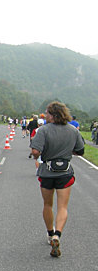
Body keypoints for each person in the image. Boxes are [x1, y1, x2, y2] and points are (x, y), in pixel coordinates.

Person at [30, 102, 84, 257]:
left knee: (48, 204)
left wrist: (38, 155)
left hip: (47, 172)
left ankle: (49, 233)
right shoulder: (73, 130)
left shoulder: (43, 130)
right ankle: (57, 235)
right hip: (65, 173)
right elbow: (80, 150)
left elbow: (35, 151)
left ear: (53, 115)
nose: (45, 116)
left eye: (47, 113)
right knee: (63, 207)